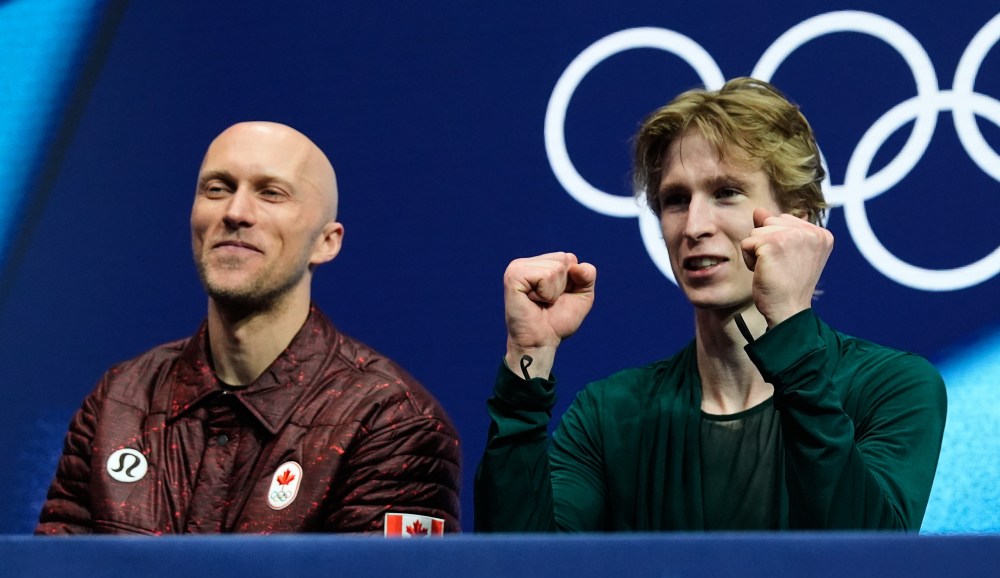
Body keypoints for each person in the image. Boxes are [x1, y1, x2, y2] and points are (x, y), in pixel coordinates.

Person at [475, 78, 945, 532]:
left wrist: (790, 325)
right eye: (676, 200)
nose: (694, 225)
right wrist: (527, 358)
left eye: (726, 193)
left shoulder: (891, 388)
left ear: (796, 220)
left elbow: (862, 559)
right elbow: (518, 572)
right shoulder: (612, 415)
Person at [37, 121, 461, 534]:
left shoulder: (390, 422)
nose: (236, 212)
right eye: (217, 189)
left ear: (326, 241)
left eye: (271, 193)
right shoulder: (119, 402)